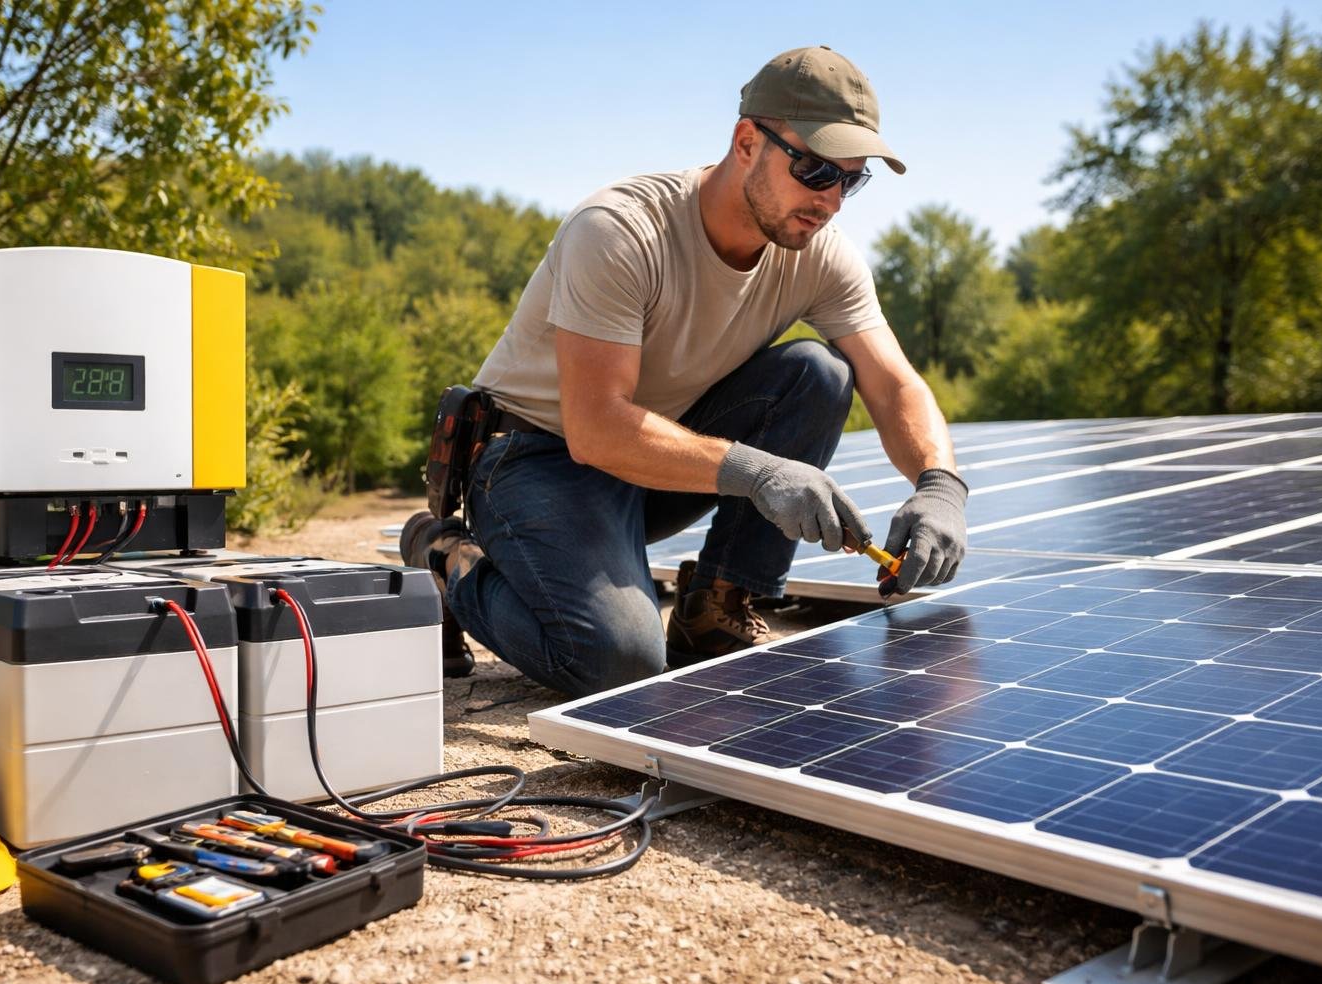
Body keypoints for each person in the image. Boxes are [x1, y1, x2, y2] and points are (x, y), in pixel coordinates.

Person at [402, 45, 968, 696]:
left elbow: (894, 381)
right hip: (536, 460)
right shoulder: (621, 230)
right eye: (814, 170)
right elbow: (595, 428)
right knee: (619, 664)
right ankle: (446, 555)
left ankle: (716, 610)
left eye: (850, 179)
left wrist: (940, 486)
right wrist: (759, 473)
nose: (832, 200)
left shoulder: (819, 253)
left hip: (653, 464)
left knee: (817, 372)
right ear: (747, 141)